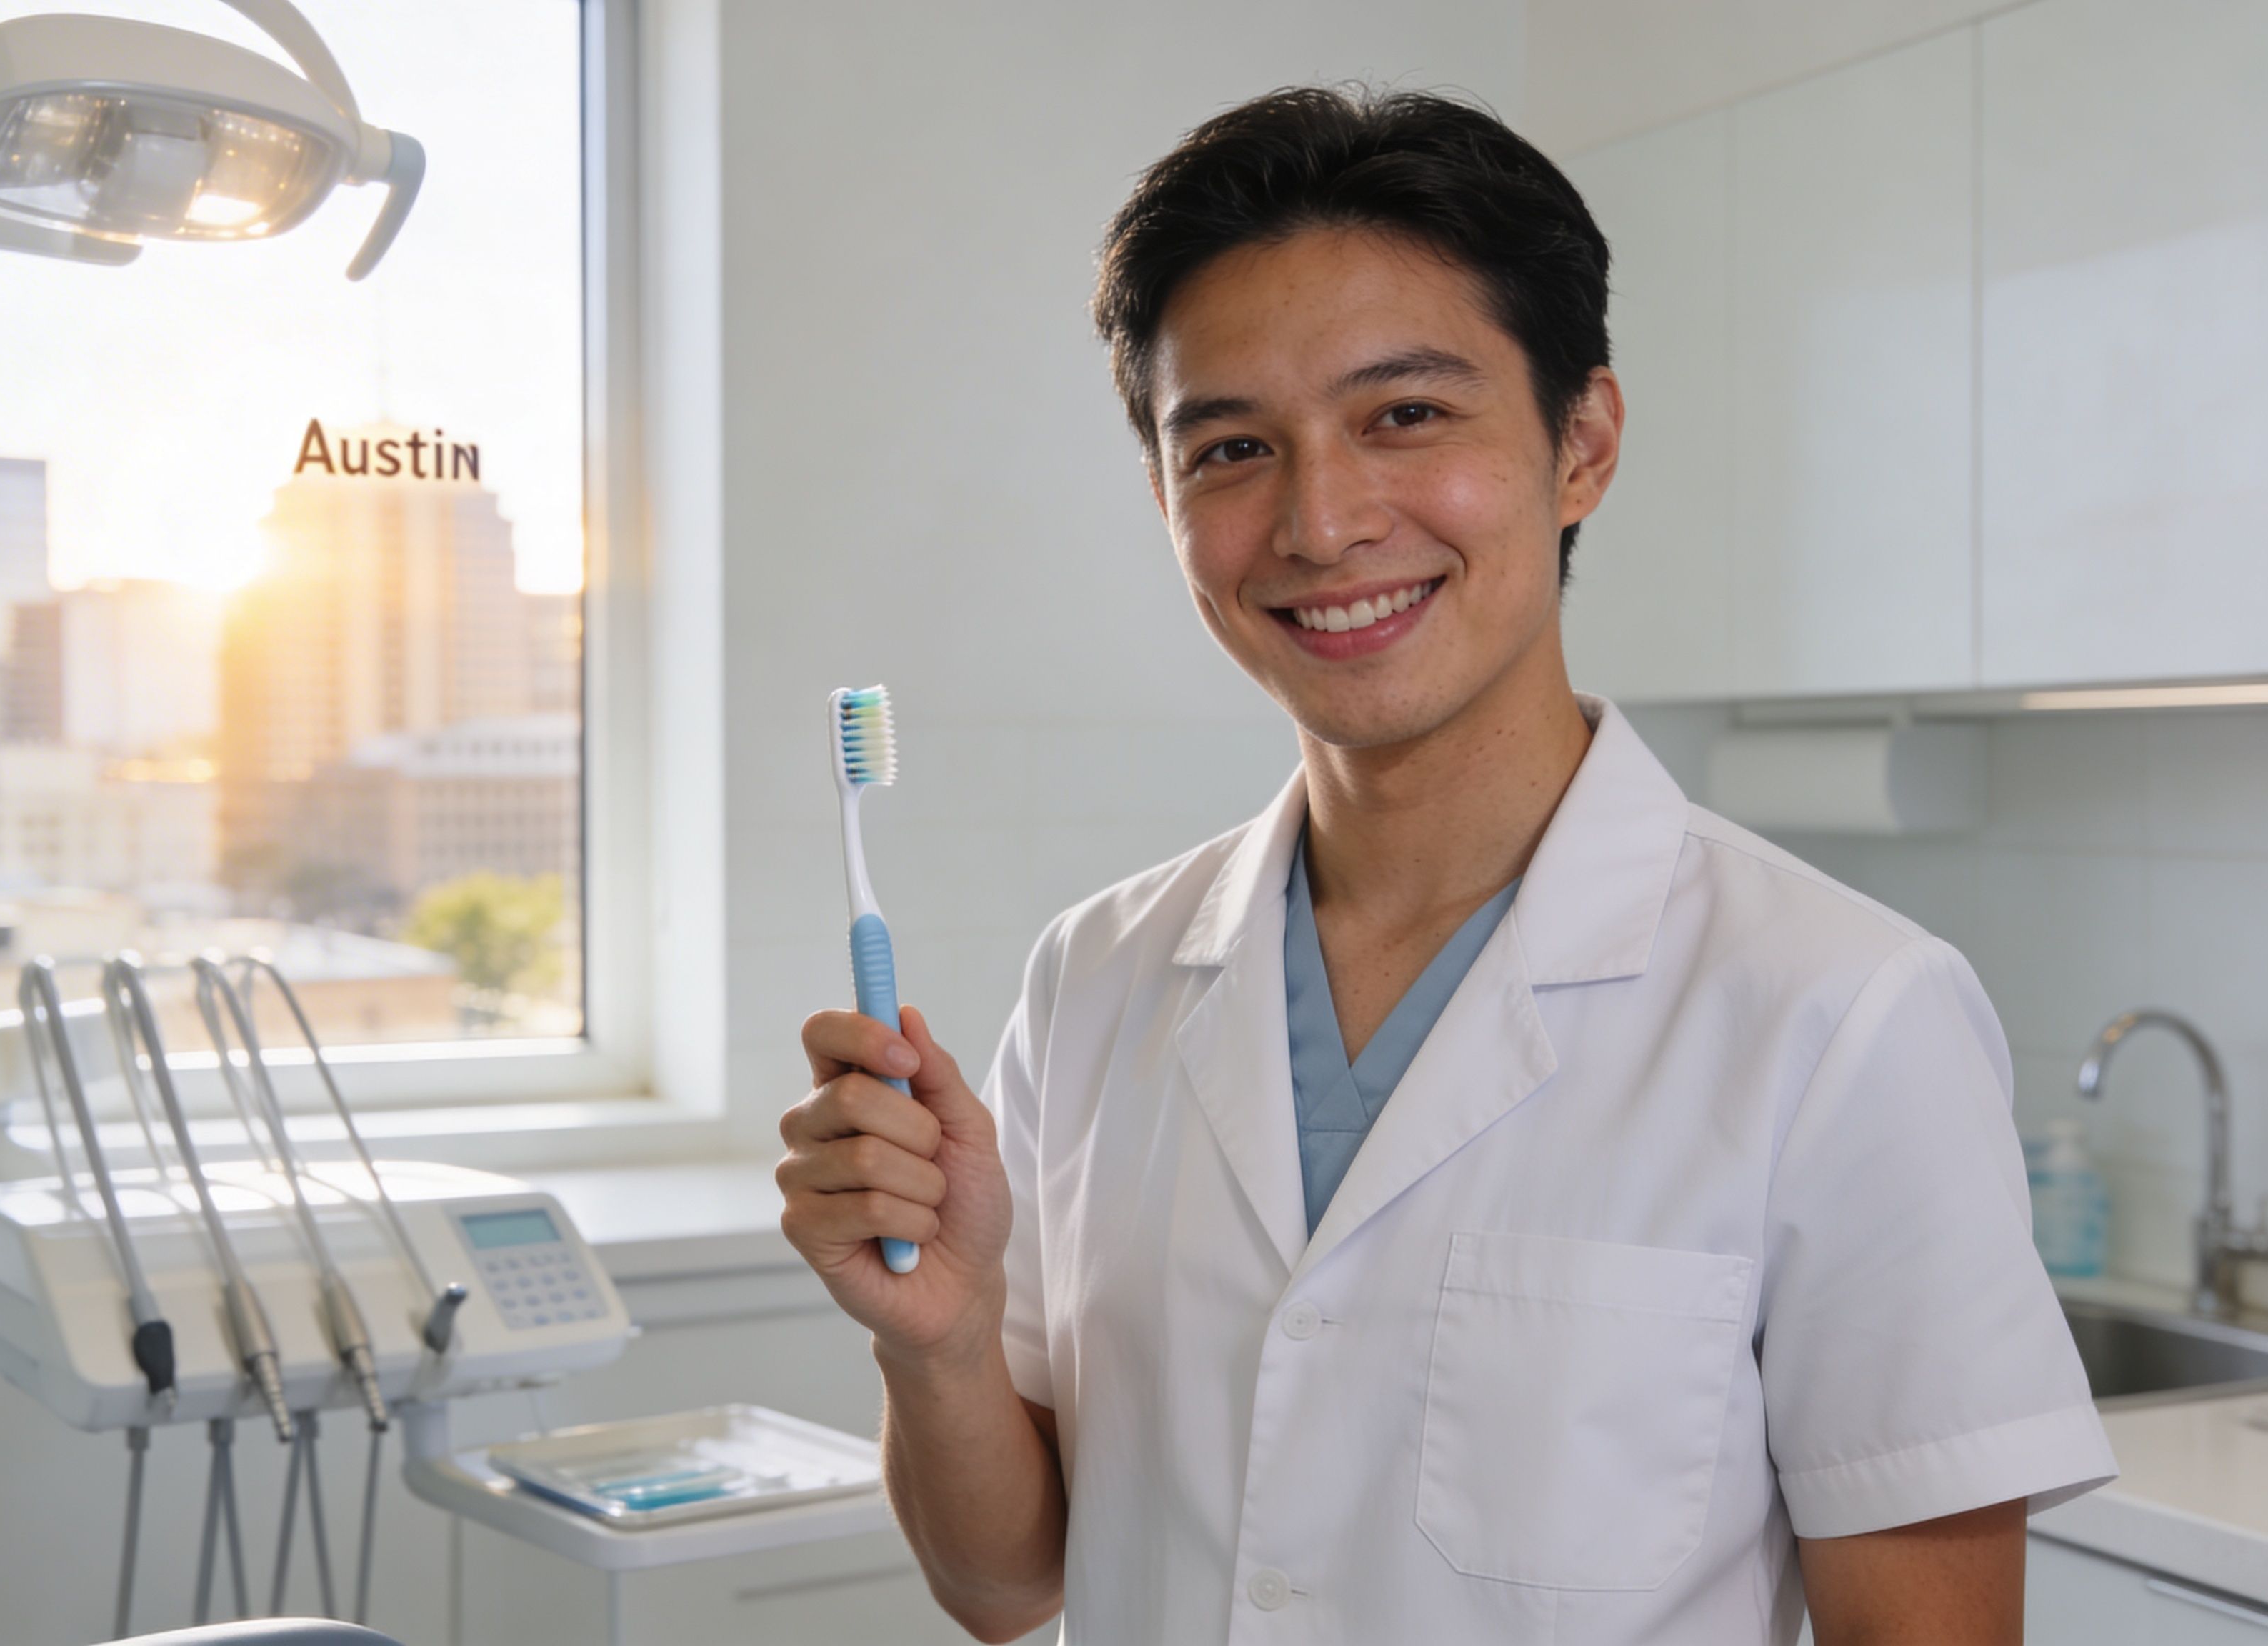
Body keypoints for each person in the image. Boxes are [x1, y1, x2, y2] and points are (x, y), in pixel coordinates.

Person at [774, 86, 2112, 1645]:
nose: (1322, 521)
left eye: (1404, 414)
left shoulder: (1840, 1016)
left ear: (1581, 445)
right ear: (1164, 498)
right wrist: (933, 1345)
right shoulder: (1097, 976)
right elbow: (1005, 1584)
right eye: (1229, 448)